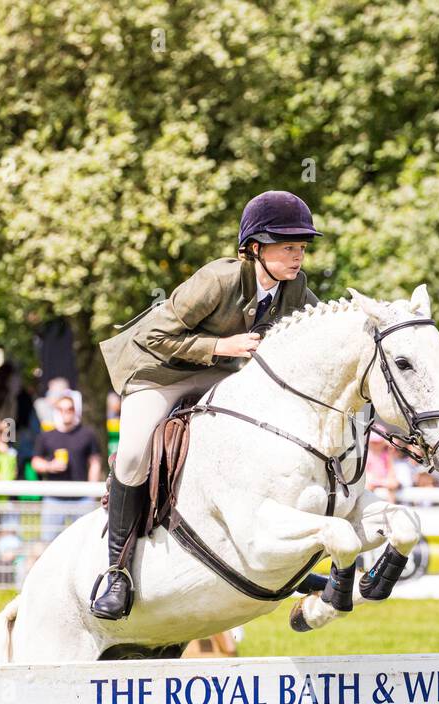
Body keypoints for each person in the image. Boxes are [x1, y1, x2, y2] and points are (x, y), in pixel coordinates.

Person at [93, 190, 322, 619]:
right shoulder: (217, 279)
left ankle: (283, 558)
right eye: (288, 247)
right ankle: (117, 572)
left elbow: (322, 327)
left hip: (220, 373)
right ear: (255, 248)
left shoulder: (297, 288)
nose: (297, 257)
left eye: (302, 248)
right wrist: (223, 344)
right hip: (159, 371)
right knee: (133, 455)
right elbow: (153, 337)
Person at [31, 394, 103, 542]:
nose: (66, 412)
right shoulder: (46, 436)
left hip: (82, 498)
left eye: (70, 409)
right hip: (54, 498)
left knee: (86, 540)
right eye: (62, 409)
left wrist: (92, 491)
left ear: (75, 411)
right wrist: (50, 466)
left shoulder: (87, 434)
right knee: (48, 542)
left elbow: (95, 462)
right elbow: (36, 462)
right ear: (56, 411)